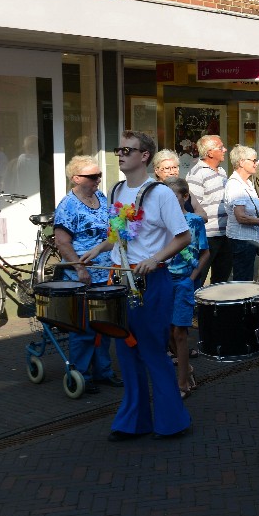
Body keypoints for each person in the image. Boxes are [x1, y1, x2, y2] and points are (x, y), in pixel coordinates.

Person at [88, 130, 191, 442]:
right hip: (121, 280)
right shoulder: (117, 190)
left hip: (152, 281)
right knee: (126, 350)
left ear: (144, 156)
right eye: (119, 149)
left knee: (151, 350)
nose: (120, 154)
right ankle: (134, 421)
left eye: (127, 150)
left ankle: (172, 421)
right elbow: (117, 234)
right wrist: (99, 249)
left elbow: (183, 236)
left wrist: (155, 258)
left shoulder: (160, 194)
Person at [52, 155, 121, 395]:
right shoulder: (68, 205)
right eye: (93, 177)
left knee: (104, 324)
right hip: (80, 276)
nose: (98, 180)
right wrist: (79, 268)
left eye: (99, 175)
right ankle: (80, 374)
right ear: (76, 178)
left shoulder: (100, 198)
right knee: (83, 328)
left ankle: (104, 371)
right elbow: (62, 242)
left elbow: (112, 230)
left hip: (105, 272)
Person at [163, 176, 209, 399]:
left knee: (180, 331)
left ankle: (182, 382)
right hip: (162, 280)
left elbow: (205, 252)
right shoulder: (160, 223)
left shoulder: (194, 221)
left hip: (183, 281)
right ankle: (187, 368)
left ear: (185, 196)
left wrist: (192, 277)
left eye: (174, 197)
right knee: (166, 330)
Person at [187, 135, 232, 285]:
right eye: (221, 147)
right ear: (210, 153)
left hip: (225, 233)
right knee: (199, 277)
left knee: (221, 280)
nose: (225, 149)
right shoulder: (197, 174)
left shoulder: (222, 171)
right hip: (207, 236)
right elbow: (193, 207)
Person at [223, 145, 259, 282]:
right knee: (243, 280)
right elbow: (240, 217)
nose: (256, 163)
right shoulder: (235, 184)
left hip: (248, 239)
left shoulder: (246, 182)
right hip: (241, 240)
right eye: (253, 160)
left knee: (246, 277)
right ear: (241, 162)